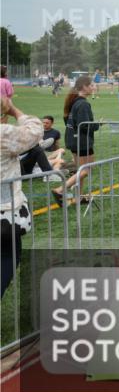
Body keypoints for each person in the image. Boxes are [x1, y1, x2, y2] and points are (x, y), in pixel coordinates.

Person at [1, 96, 42, 296]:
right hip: (4, 212)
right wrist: (15, 111)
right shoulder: (3, 134)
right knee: (8, 257)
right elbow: (35, 130)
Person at [52, 76, 100, 205]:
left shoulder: (75, 101)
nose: (93, 87)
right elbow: (84, 124)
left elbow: (68, 121)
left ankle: (79, 197)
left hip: (74, 140)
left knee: (81, 170)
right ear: (84, 86)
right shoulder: (83, 103)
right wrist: (98, 124)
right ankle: (59, 190)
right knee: (85, 170)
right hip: (81, 141)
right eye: (91, 85)